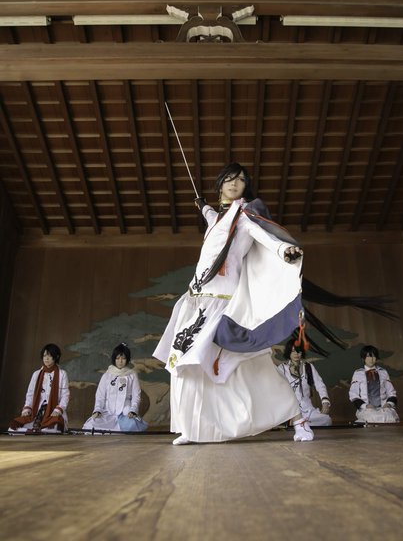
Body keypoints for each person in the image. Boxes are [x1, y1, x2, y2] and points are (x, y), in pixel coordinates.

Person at [154, 162, 314, 444]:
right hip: (195, 301)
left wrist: (283, 249)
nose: (234, 182)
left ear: (245, 186)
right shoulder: (216, 219)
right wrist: (202, 205)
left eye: (240, 179)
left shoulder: (245, 216)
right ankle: (193, 429)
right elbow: (209, 214)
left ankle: (299, 419)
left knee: (251, 366)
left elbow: (265, 236)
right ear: (220, 185)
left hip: (225, 306)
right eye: (228, 178)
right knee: (186, 365)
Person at [82, 343, 148, 433]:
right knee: (92, 424)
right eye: (117, 358)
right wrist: (98, 410)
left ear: (127, 359)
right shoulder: (107, 375)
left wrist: (133, 410)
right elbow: (100, 396)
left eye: (123, 358)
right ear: (114, 359)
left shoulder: (132, 375)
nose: (120, 361)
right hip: (107, 412)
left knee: (131, 425)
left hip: (125, 413)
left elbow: (136, 396)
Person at [9, 343, 70, 433]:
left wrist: (58, 410)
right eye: (44, 356)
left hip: (53, 411)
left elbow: (65, 395)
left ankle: (34, 431)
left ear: (56, 357)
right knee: (13, 427)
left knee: (53, 427)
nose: (46, 358)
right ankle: (34, 431)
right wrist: (27, 408)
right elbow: (30, 393)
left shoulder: (62, 374)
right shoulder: (36, 374)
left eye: (49, 356)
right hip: (37, 411)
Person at [276, 335, 332, 428]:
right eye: (293, 351)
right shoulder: (282, 368)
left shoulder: (308, 367)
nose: (296, 354)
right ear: (288, 352)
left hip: (308, 409)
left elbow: (320, 384)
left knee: (326, 420)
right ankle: (295, 422)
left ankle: (299, 424)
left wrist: (325, 401)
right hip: (290, 409)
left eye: (298, 351)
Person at [349, 345, 399, 424]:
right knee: (372, 418)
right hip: (367, 409)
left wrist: (388, 404)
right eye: (368, 356)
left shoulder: (383, 372)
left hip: (383, 408)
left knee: (389, 417)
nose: (371, 359)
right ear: (363, 358)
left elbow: (391, 392)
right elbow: (353, 394)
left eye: (373, 356)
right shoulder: (358, 373)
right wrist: (365, 406)